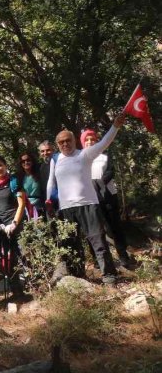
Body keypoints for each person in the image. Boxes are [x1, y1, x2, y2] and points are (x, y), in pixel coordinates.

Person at [45, 116, 125, 284]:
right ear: (57, 145)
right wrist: (48, 200)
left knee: (98, 242)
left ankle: (109, 277)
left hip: (89, 204)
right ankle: (78, 278)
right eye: (61, 143)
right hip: (66, 208)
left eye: (68, 141)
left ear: (74, 140)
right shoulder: (55, 159)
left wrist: (115, 126)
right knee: (71, 245)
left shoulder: (85, 154)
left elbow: (104, 142)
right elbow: (51, 181)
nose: (65, 144)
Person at [82, 129, 134, 269]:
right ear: (82, 142)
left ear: (97, 140)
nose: (89, 142)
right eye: (86, 140)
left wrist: (96, 183)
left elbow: (110, 172)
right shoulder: (81, 158)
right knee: (94, 230)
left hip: (108, 197)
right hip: (90, 200)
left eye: (92, 139)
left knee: (114, 227)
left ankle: (124, 257)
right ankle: (99, 262)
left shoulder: (105, 156)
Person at [0, 156, 26, 295]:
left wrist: (14, 223)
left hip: (16, 225)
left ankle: (32, 283)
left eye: (0, 165)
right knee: (7, 258)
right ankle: (14, 288)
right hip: (0, 228)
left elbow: (21, 204)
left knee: (23, 253)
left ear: (5, 165)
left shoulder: (14, 181)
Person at [16, 151, 44, 219]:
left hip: (40, 207)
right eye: (23, 161)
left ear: (32, 161)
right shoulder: (18, 177)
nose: (26, 162)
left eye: (28, 160)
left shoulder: (40, 173)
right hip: (25, 208)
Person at [38, 140, 56, 213]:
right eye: (42, 151)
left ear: (53, 151)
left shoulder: (59, 164)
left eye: (48, 150)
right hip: (46, 204)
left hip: (60, 202)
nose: (45, 153)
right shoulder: (39, 168)